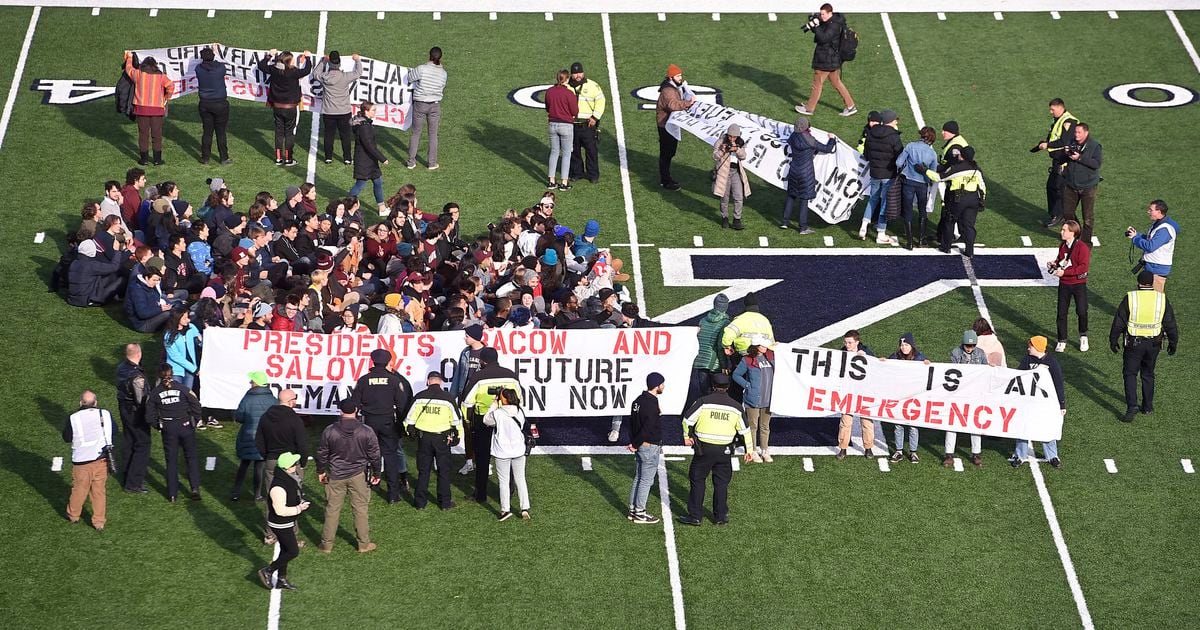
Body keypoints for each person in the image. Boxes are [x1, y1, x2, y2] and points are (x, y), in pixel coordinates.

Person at [678, 373, 753, 526]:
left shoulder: (703, 402)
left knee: (698, 480)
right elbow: (745, 431)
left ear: (712, 386)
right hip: (724, 451)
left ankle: (695, 516)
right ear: (728, 387)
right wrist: (749, 451)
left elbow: (687, 420)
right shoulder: (736, 407)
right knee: (721, 484)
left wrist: (686, 436)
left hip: (704, 449)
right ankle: (720, 516)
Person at [1110, 270, 1179, 423]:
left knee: (1130, 374)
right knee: (1148, 374)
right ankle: (1147, 406)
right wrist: (1173, 343)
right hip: (1154, 344)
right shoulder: (1161, 299)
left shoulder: (1131, 298)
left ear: (1139, 283)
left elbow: (1119, 321)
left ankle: (1132, 406)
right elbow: (1170, 323)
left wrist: (1113, 339)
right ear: (1152, 283)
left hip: (1133, 344)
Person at [348, 348, 412, 504]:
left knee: (368, 454)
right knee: (390, 456)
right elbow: (402, 405)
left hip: (369, 422)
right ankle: (393, 494)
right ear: (388, 361)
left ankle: (368, 484)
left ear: (373, 361)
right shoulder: (394, 380)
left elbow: (354, 403)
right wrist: (403, 425)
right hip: (388, 422)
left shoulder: (363, 380)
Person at [316, 401, 381, 553]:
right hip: (359, 475)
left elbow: (322, 453)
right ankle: (364, 544)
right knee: (360, 510)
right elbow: (375, 454)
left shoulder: (330, 430)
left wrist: (320, 471)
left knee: (332, 510)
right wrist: (377, 473)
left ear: (340, 411)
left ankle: (326, 544)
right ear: (357, 410)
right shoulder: (366, 431)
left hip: (336, 475)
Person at [459, 347, 522, 503]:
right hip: (507, 419)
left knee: (482, 459)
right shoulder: (511, 375)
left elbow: (466, 403)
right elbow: (520, 398)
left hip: (484, 421)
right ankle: (509, 491)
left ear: (483, 361)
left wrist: (468, 422)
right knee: (507, 454)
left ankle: (480, 495)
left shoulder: (479, 377)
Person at [403, 372, 464, 510]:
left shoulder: (419, 397)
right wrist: (456, 437)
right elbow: (456, 421)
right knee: (443, 471)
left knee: (423, 471)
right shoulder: (448, 398)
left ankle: (420, 503)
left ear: (428, 381)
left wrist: (411, 434)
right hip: (442, 438)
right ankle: (445, 503)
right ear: (441, 382)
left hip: (424, 438)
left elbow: (408, 420)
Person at [255, 388, 308, 545]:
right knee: (292, 498)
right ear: (291, 401)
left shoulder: (266, 417)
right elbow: (303, 444)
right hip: (291, 464)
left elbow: (259, 441)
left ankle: (270, 534)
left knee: (272, 497)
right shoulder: (294, 419)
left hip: (271, 461)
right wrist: (302, 463)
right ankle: (292, 535)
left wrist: (267, 456)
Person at [145, 365, 202, 502]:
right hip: (186, 426)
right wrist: (196, 418)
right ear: (172, 374)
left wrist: (158, 426)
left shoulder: (155, 393)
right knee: (191, 458)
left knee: (171, 461)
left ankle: (172, 494)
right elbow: (195, 403)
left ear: (159, 376)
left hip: (168, 428)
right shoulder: (182, 388)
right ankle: (194, 489)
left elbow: (149, 415)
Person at [63, 391, 116, 531]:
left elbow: (67, 437)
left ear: (81, 403)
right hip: (101, 460)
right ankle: (99, 522)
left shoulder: (73, 418)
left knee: (79, 489)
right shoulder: (105, 414)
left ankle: (73, 515)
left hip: (81, 462)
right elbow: (114, 431)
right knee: (98, 491)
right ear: (96, 402)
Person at [1010, 337, 1065, 469]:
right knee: (1023, 426)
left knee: (1047, 426)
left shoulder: (1052, 363)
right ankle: (1019, 455)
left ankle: (1052, 456)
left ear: (1037, 347)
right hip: (1028, 400)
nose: (1028, 348)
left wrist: (1062, 404)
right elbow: (1018, 375)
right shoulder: (1027, 359)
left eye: (1030, 346)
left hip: (1045, 402)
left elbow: (1058, 384)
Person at [258, 452, 310, 590]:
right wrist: (299, 508)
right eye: (294, 464)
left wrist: (299, 502)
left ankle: (281, 579)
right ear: (288, 468)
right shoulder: (278, 487)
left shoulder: (288, 479)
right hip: (280, 524)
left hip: (286, 522)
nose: (296, 466)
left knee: (285, 549)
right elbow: (280, 511)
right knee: (293, 551)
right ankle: (268, 570)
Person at [795, 3, 857, 117]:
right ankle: (850, 106)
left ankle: (809, 108)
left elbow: (823, 38)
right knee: (837, 82)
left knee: (817, 84)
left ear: (830, 13)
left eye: (823, 14)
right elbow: (820, 33)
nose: (821, 16)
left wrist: (817, 26)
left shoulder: (833, 25)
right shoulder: (833, 21)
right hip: (832, 59)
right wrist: (814, 25)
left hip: (826, 59)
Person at [482, 387, 531, 521]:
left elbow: (486, 420)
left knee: (504, 482)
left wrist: (493, 404)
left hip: (502, 451)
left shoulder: (497, 413)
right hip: (518, 450)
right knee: (520, 479)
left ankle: (505, 510)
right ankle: (524, 508)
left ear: (504, 399)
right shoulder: (520, 411)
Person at [928, 145, 986, 257]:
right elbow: (982, 186)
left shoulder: (957, 168)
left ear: (962, 156)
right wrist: (982, 200)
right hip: (973, 199)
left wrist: (925, 171)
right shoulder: (976, 169)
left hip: (958, 199)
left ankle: (946, 247)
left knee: (950, 221)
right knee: (969, 226)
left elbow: (940, 177)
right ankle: (969, 251)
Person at [257, 49, 312, 166]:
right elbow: (307, 70)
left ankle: (278, 158)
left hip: (277, 107)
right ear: (289, 61)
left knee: (279, 132)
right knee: (289, 133)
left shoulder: (274, 70)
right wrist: (307, 58)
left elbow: (261, 66)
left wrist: (269, 55)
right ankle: (288, 159)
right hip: (290, 108)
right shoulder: (293, 72)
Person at [781, 118, 836, 234]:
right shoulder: (809, 139)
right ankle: (803, 227)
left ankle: (785, 222)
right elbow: (827, 149)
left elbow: (790, 141)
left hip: (793, 170)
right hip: (806, 173)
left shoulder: (793, 136)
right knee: (804, 200)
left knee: (791, 196)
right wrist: (832, 139)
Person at [1049, 122, 1102, 244]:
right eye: (1075, 132)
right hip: (1071, 184)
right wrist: (1065, 153)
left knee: (1087, 218)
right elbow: (1062, 159)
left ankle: (1086, 243)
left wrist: (1080, 158)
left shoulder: (1094, 146)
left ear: (1086, 133)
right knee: (1067, 213)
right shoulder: (1072, 143)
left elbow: (1096, 164)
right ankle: (1078, 234)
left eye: (1079, 132)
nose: (1076, 135)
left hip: (1088, 187)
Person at [946, 330, 989, 468]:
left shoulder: (981, 353)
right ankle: (949, 454)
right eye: (967, 346)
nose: (970, 348)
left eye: (972, 346)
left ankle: (976, 453)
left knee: (975, 423)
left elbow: (985, 372)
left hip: (975, 395)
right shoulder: (955, 353)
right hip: (958, 394)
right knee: (951, 424)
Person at [626, 372, 665, 525]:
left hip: (641, 445)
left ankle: (633, 509)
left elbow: (632, 424)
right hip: (648, 446)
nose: (663, 386)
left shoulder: (638, 401)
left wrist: (634, 443)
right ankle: (640, 512)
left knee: (639, 477)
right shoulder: (651, 404)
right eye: (662, 384)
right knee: (646, 480)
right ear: (657, 386)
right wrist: (636, 444)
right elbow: (648, 428)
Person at [883, 333, 929, 462]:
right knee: (898, 425)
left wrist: (928, 365)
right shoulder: (895, 356)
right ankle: (898, 451)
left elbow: (928, 373)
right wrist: (882, 362)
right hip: (899, 396)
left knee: (913, 425)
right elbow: (885, 368)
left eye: (906, 344)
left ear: (911, 345)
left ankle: (913, 452)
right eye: (902, 345)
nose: (903, 347)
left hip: (914, 397)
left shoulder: (919, 358)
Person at [123, 51, 174, 165]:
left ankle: (144, 159)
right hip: (157, 109)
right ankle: (157, 160)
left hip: (141, 109)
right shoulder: (161, 76)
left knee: (143, 135)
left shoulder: (138, 74)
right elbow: (171, 85)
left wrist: (129, 57)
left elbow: (128, 69)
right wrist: (167, 97)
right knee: (157, 135)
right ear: (155, 65)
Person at [312, 50, 363, 165]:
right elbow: (358, 72)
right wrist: (357, 60)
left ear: (330, 63)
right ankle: (347, 158)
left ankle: (328, 157)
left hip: (328, 111)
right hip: (344, 112)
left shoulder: (324, 77)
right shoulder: (345, 76)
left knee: (328, 135)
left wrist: (322, 62)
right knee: (345, 135)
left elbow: (315, 73)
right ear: (339, 64)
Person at [860, 109, 902, 243]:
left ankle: (863, 226)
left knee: (872, 199)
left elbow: (866, 154)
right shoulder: (894, 136)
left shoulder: (871, 133)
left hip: (874, 172)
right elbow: (900, 156)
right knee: (885, 202)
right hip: (888, 174)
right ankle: (881, 233)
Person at [1049, 220, 1091, 353]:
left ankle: (1083, 335)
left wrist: (1064, 272)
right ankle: (1062, 340)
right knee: (1061, 313)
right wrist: (1054, 264)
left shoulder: (1082, 247)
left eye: (1064, 230)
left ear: (1073, 232)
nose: (1061, 232)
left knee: (1082, 311)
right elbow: (1060, 259)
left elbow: (1083, 268)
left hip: (1078, 284)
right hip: (1065, 284)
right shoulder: (1063, 245)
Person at [232, 372, 275, 501]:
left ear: (256, 383)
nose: (250, 383)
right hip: (264, 438)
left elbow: (239, 417)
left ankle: (235, 493)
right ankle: (257, 495)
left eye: (251, 381)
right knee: (259, 467)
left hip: (247, 436)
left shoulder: (248, 398)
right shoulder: (273, 400)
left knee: (243, 465)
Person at [1034, 98, 1077, 228]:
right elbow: (1053, 135)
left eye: (1052, 109)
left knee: (1059, 189)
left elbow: (1064, 141)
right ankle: (1056, 214)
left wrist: (1048, 145)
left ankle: (1060, 216)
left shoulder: (1069, 121)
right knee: (1051, 187)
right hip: (1057, 160)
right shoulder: (1058, 120)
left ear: (1060, 107)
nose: (1050, 111)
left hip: (1065, 162)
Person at [835, 330, 878, 460]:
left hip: (864, 393)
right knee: (845, 421)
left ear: (857, 342)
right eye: (845, 342)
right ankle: (843, 448)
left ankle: (868, 447)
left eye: (850, 342)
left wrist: (867, 358)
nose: (847, 345)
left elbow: (877, 366)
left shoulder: (866, 351)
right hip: (848, 392)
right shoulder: (841, 353)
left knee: (866, 421)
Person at [451, 324, 488, 472]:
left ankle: (483, 460)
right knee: (467, 430)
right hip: (465, 398)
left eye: (467, 335)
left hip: (481, 399)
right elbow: (458, 375)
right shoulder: (465, 353)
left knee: (482, 431)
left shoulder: (487, 353)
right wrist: (452, 397)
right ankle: (469, 461)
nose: (464, 338)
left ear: (475, 337)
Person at [732, 337, 775, 463]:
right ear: (756, 346)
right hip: (753, 399)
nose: (765, 347)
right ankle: (752, 450)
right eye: (763, 345)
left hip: (769, 398)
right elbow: (736, 375)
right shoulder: (747, 359)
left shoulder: (771, 357)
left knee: (765, 426)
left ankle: (765, 450)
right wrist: (747, 385)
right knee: (753, 426)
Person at [115, 343, 151, 494]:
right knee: (143, 444)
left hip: (124, 408)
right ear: (139, 354)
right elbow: (141, 399)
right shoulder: (136, 376)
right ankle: (134, 482)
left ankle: (127, 475)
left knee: (129, 440)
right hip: (135, 413)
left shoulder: (121, 367)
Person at [895, 126, 938, 249]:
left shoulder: (910, 146)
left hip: (908, 182)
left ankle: (909, 242)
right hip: (922, 184)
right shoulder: (932, 154)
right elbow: (933, 174)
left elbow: (898, 163)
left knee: (907, 210)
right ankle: (921, 239)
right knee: (922, 210)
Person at [655, 63, 695, 191]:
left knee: (669, 152)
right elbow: (673, 105)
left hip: (669, 124)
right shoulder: (668, 91)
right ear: (671, 77)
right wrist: (688, 103)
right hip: (665, 126)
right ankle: (665, 181)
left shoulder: (672, 87)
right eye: (678, 76)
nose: (680, 78)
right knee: (666, 153)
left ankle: (665, 178)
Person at [406, 46, 447, 170]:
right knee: (433, 134)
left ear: (429, 55)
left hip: (420, 104)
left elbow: (409, 78)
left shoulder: (422, 69)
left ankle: (411, 162)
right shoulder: (443, 73)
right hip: (435, 105)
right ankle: (432, 163)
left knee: (416, 133)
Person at [1127, 199, 1179, 293]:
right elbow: (1149, 238)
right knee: (1146, 296)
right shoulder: (1159, 224)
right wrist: (1136, 234)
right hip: (1152, 267)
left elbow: (1150, 246)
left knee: (1155, 300)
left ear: (1159, 212)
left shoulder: (1165, 229)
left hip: (1157, 269)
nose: (1148, 212)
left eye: (1151, 210)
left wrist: (1135, 238)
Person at [568, 61, 606, 184]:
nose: (578, 75)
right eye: (575, 73)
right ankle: (577, 172)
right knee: (574, 150)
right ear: (571, 74)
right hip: (572, 124)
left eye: (580, 72)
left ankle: (593, 174)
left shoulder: (593, 86)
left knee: (591, 151)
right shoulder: (566, 86)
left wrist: (595, 117)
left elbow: (601, 101)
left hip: (587, 124)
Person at [689, 294, 730, 406]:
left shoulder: (702, 321)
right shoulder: (725, 323)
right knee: (716, 394)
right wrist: (724, 365)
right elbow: (719, 346)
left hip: (700, 361)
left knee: (704, 394)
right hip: (714, 364)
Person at [195, 43, 232, 165]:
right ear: (213, 56)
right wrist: (216, 52)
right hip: (220, 104)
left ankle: (205, 158)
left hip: (205, 104)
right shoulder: (220, 68)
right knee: (221, 132)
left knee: (207, 131)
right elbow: (222, 65)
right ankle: (224, 158)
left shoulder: (198, 69)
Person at [350, 101, 390, 211]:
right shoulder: (364, 127)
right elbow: (369, 146)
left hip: (369, 160)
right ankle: (347, 204)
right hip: (364, 161)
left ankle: (382, 208)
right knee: (360, 185)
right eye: (373, 110)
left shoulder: (364, 123)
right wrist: (383, 159)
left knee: (378, 182)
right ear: (366, 111)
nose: (375, 112)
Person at [544, 69, 578, 191]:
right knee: (566, 154)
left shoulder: (549, 92)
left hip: (552, 124)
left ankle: (551, 181)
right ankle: (564, 182)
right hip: (566, 125)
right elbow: (575, 111)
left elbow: (547, 108)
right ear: (567, 79)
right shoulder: (569, 93)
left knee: (554, 152)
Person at [712, 124, 750, 230]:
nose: (732, 138)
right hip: (724, 172)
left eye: (734, 137)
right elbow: (715, 156)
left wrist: (737, 149)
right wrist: (722, 150)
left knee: (739, 196)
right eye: (730, 136)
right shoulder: (720, 142)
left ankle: (737, 219)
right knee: (724, 197)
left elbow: (743, 156)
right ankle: (724, 218)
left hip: (736, 171)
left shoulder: (740, 143)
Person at [68, 239, 127, 307]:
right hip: (89, 300)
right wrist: (117, 251)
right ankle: (121, 297)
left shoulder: (74, 263)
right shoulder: (91, 265)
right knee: (122, 280)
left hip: (73, 298)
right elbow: (114, 267)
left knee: (112, 275)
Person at [721, 292, 775, 360]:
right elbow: (771, 341)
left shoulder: (740, 319)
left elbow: (729, 333)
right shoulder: (765, 320)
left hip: (743, 354)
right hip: (761, 355)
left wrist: (726, 346)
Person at [163, 307, 202, 393]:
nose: (188, 320)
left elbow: (200, 340)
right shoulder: (169, 335)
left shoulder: (192, 328)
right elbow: (176, 356)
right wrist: (194, 369)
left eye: (188, 317)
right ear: (177, 319)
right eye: (184, 318)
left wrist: (200, 340)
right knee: (176, 394)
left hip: (190, 370)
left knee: (187, 394)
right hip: (176, 371)